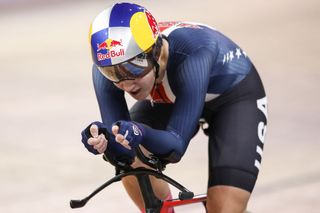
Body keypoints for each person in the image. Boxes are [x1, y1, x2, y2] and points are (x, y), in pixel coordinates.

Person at [81, 2, 268, 213]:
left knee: (224, 209)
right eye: (113, 74)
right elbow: (122, 153)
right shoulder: (110, 64)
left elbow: (175, 147)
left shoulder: (193, 52)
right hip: (173, 98)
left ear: (156, 54)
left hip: (234, 99)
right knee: (130, 151)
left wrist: (139, 132)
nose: (126, 83)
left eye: (134, 68)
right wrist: (104, 141)